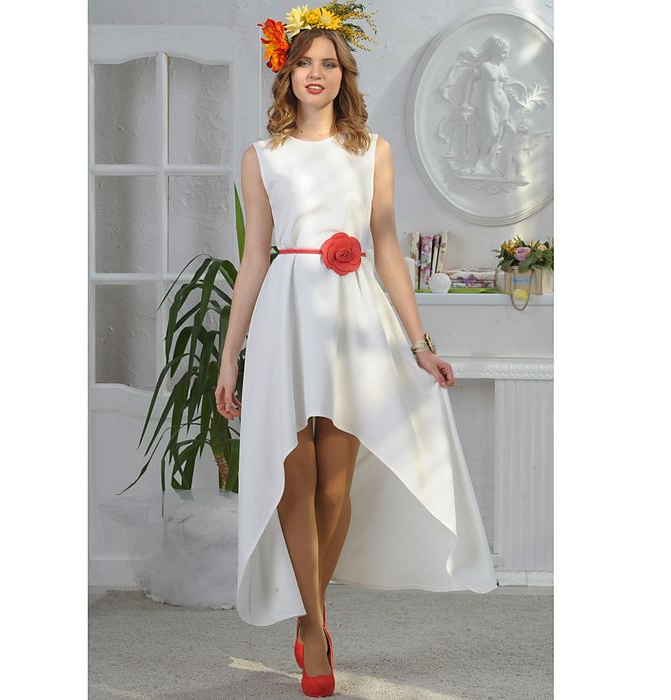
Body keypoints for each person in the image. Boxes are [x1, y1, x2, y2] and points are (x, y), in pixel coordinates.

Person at [215, 4, 497, 697]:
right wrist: (230, 355)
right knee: (296, 476)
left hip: (354, 318)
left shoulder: (372, 153)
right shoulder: (262, 157)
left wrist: (420, 344)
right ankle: (314, 629)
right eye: (305, 63)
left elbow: (389, 250)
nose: (316, 74)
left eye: (329, 64)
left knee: (336, 484)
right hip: (286, 317)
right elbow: (254, 259)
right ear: (287, 73)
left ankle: (312, 608)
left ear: (345, 76)